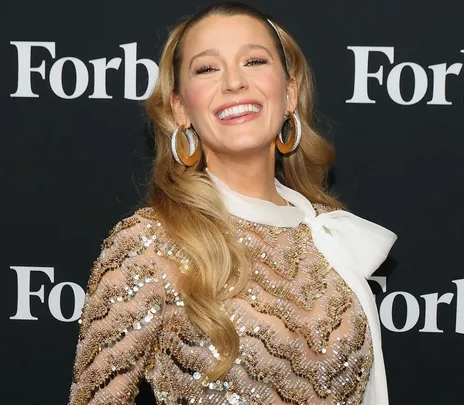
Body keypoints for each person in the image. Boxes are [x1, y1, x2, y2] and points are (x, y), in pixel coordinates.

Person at [67, 2, 397, 404]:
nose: (234, 82)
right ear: (181, 108)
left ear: (289, 92)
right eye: (207, 69)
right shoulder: (148, 242)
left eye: (254, 61)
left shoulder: (330, 233)